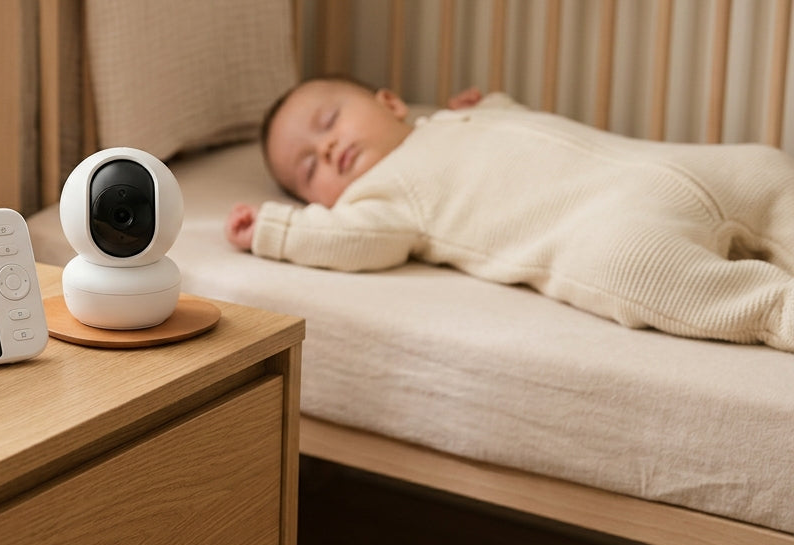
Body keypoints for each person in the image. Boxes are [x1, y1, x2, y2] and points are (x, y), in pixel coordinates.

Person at [224, 76, 794, 351]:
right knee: (633, 267)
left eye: (329, 122)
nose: (326, 150)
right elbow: (350, 242)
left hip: (663, 164)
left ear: (390, 102)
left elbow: (528, 136)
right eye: (307, 170)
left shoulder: (450, 120)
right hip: (614, 225)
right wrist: (276, 229)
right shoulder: (381, 199)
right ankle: (777, 309)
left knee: (763, 170)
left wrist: (496, 107)